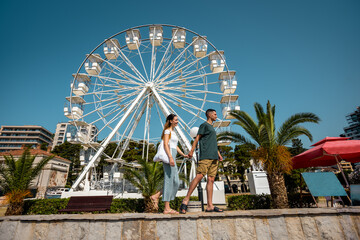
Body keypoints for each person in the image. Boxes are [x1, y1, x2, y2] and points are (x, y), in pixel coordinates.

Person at [179, 109, 223, 214]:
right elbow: (197, 139)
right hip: (206, 155)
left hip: (214, 157)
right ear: (209, 114)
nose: (216, 116)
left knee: (211, 180)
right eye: (215, 114)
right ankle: (186, 199)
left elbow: (213, 142)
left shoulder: (212, 127)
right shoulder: (204, 125)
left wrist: (219, 154)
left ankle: (209, 205)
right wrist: (191, 151)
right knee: (199, 176)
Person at [151, 114, 188, 214]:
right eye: (176, 120)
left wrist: (183, 154)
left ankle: (157, 195)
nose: (177, 121)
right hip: (169, 156)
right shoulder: (167, 131)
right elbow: (165, 144)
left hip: (173, 154)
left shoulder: (174, 132)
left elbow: (175, 146)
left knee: (175, 181)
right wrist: (170, 157)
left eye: (177, 120)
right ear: (171, 121)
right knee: (169, 180)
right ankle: (167, 208)